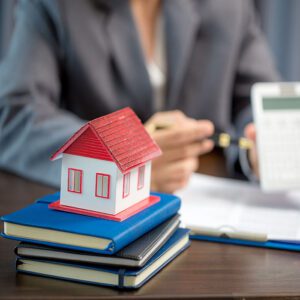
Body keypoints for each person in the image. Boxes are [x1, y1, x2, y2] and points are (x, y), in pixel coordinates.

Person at [0, 0, 278, 193]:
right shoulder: (54, 5)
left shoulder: (231, 7)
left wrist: (259, 148)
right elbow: (17, 115)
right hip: (100, 217)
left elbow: (257, 100)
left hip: (209, 209)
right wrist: (122, 154)